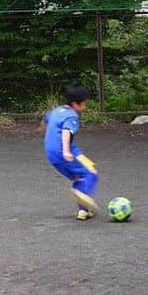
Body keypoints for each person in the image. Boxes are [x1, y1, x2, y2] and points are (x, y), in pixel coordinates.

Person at [43, 83, 99, 221]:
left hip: (52, 152)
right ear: (75, 104)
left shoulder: (57, 110)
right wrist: (66, 151)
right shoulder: (72, 116)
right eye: (84, 105)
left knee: (79, 176)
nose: (85, 108)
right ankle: (81, 192)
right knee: (91, 173)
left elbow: (45, 120)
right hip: (64, 151)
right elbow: (66, 131)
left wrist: (48, 135)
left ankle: (83, 211)